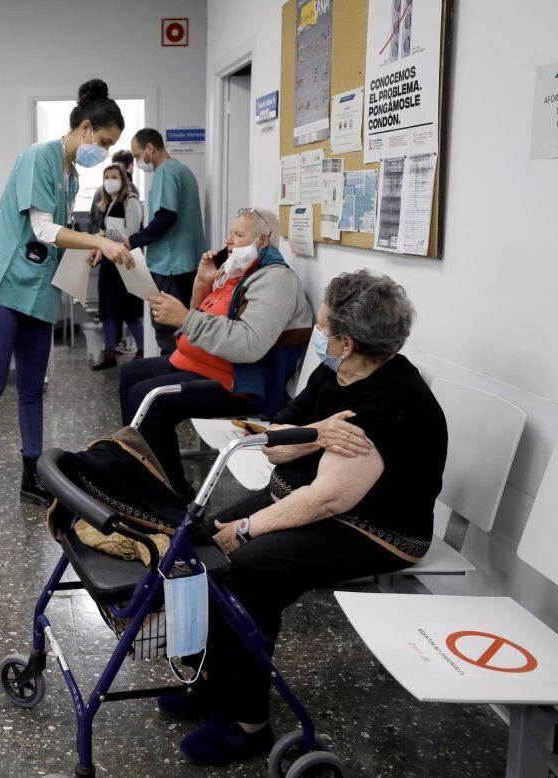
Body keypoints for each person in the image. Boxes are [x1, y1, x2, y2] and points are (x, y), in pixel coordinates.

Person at [159, 271, 448, 767]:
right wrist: (317, 433)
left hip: (374, 527)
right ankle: (209, 682)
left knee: (246, 568)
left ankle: (247, 725)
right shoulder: (334, 374)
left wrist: (247, 529)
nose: (318, 335)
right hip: (309, 497)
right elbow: (276, 444)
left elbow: (328, 500)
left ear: (346, 340)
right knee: (202, 543)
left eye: (322, 327)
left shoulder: (392, 398)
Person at [0, 79, 134, 519]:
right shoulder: (38, 157)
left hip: (37, 292)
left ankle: (31, 474)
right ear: (86, 128)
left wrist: (87, 245)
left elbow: (57, 234)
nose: (105, 154)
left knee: (33, 388)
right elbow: (40, 229)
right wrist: (100, 242)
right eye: (104, 143)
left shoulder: (71, 175)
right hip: (1, 287)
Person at [120, 208, 312, 496]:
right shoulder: (237, 274)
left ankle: (172, 495)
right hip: (205, 365)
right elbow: (200, 321)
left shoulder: (275, 280)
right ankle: (141, 469)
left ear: (262, 241)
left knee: (150, 399)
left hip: (241, 384)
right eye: (230, 233)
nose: (229, 240)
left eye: (238, 234)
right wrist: (202, 282)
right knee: (131, 373)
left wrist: (184, 318)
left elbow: (249, 344)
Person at [126, 128, 206, 355]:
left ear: (150, 148)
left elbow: (166, 216)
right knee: (185, 329)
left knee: (167, 331)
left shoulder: (165, 172)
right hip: (188, 265)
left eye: (136, 154)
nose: (137, 160)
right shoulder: (185, 171)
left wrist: (134, 240)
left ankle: (167, 382)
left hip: (169, 267)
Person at [86, 163, 144, 370]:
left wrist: (104, 235)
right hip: (110, 265)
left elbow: (133, 234)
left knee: (129, 311)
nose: (109, 181)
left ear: (123, 180)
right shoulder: (106, 204)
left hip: (126, 264)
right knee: (108, 311)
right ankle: (109, 352)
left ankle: (143, 350)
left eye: (114, 177)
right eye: (106, 177)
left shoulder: (131, 201)